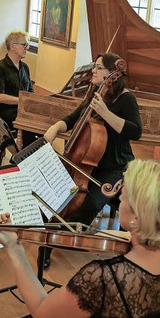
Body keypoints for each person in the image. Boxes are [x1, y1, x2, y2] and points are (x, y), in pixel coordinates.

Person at [0, 159, 160, 318]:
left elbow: (42, 314)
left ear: (136, 218)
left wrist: (15, 248)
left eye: (124, 195)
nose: (119, 197)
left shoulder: (103, 278)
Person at [44, 53, 142, 226]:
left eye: (98, 67)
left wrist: (105, 113)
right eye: (94, 67)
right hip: (88, 166)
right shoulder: (96, 93)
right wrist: (54, 128)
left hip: (115, 167)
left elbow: (135, 132)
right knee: (55, 193)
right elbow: (73, 117)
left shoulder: (126, 99)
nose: (93, 71)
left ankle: (65, 236)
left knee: (88, 206)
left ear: (111, 73)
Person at [0, 30, 36, 147]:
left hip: (19, 109)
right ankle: (20, 159)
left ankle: (24, 157)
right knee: (31, 126)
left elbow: (30, 92)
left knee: (39, 124)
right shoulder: (0, 68)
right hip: (3, 112)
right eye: (24, 45)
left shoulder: (24, 67)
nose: (27, 48)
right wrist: (21, 101)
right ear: (13, 46)